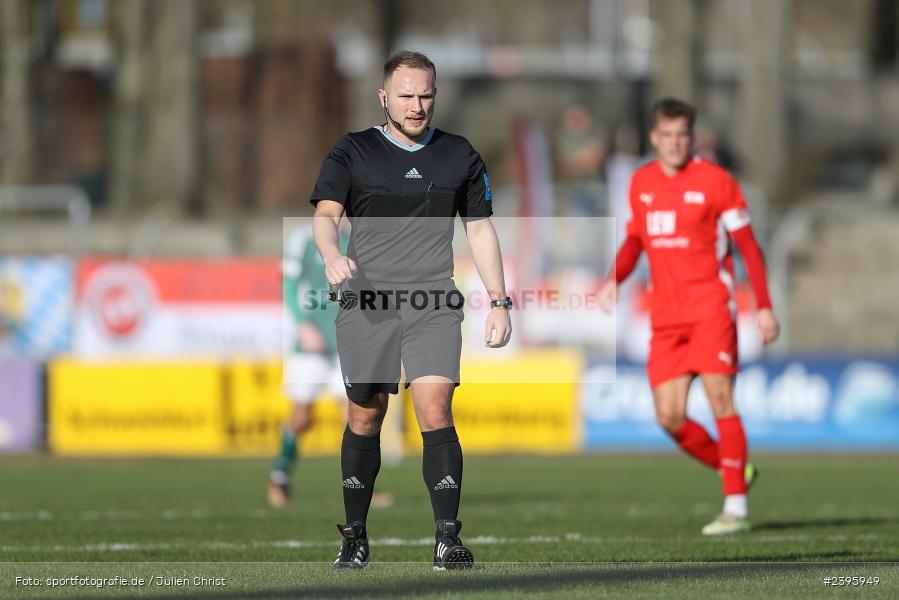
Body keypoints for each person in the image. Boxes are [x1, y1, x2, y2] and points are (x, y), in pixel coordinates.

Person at [310, 50, 512, 569]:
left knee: (435, 409)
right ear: (384, 97)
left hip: (433, 302)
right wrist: (332, 255)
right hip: (368, 303)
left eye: (426, 95)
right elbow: (327, 215)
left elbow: (481, 228)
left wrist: (499, 301)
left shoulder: (459, 154)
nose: (417, 105)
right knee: (365, 414)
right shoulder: (352, 151)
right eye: (406, 95)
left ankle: (448, 538)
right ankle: (354, 534)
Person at [599, 98, 780, 536]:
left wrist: (764, 306)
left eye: (683, 135)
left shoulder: (717, 182)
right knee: (669, 417)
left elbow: (749, 248)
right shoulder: (641, 184)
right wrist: (613, 279)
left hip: (711, 311)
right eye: (667, 135)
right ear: (654, 138)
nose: (676, 143)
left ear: (692, 137)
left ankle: (735, 506)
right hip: (666, 319)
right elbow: (635, 241)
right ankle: (733, 467)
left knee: (721, 400)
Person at [267, 223, 394, 511]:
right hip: (309, 347)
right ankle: (279, 477)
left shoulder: (360, 238)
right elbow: (287, 284)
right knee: (302, 418)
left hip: (346, 345)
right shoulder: (303, 238)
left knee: (356, 417)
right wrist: (302, 325)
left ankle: (363, 488)